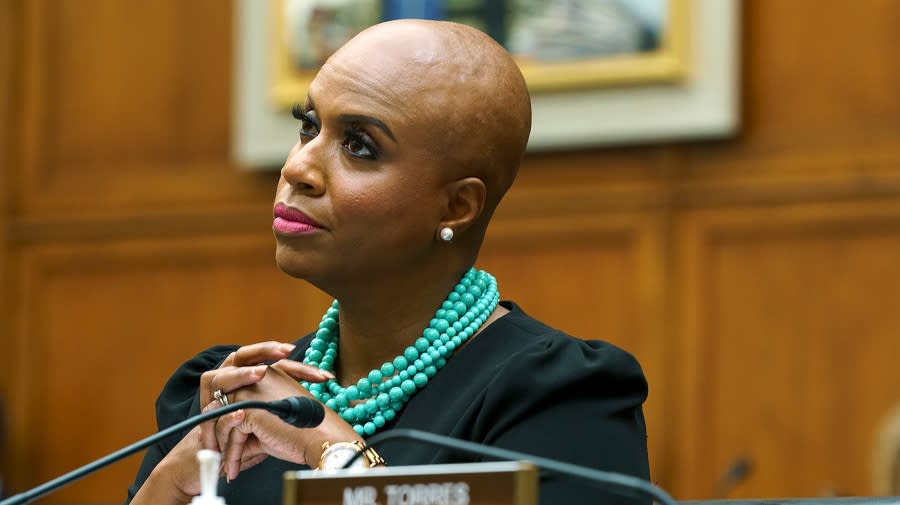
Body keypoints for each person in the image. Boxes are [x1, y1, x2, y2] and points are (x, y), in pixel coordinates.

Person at [126, 18, 649, 505]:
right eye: (309, 127)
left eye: (359, 146)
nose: (297, 167)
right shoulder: (230, 394)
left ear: (456, 207)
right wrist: (178, 474)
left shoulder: (557, 400)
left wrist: (331, 452)